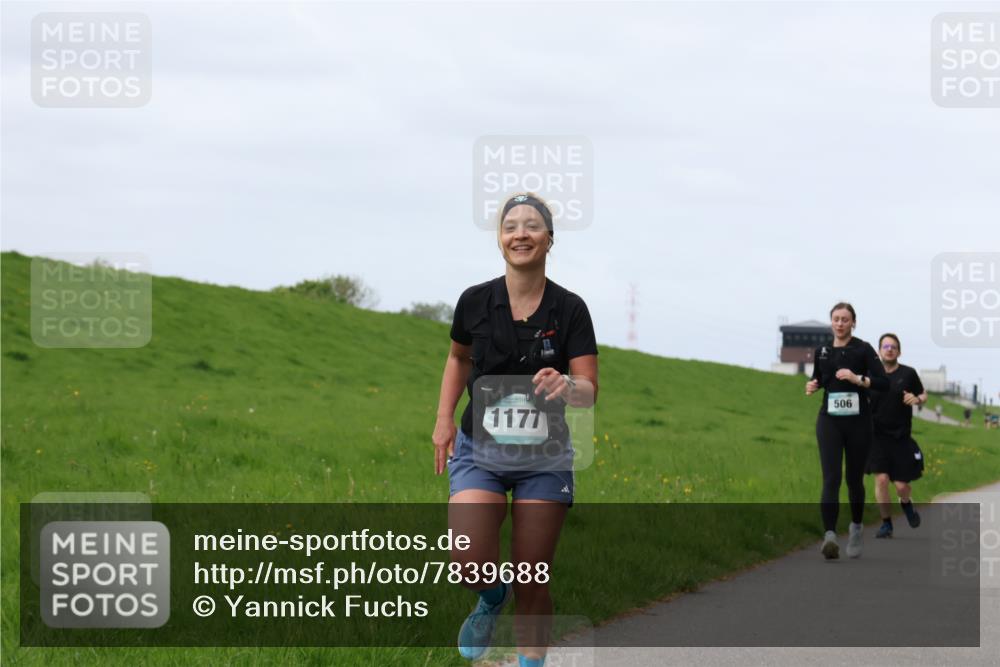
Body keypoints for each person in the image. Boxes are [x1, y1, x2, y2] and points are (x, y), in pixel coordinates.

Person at [432, 192, 599, 666]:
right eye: (510, 227)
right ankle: (489, 596)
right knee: (467, 561)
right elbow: (457, 358)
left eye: (531, 226)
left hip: (542, 460)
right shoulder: (474, 301)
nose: (520, 233)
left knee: (533, 577)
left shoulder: (570, 310)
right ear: (500, 240)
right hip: (478, 450)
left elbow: (590, 389)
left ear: (549, 238)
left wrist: (568, 384)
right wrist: (444, 419)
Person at [805, 303, 888, 560]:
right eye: (836, 319)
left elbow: (883, 382)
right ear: (831, 322)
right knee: (831, 478)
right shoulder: (822, 351)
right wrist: (812, 385)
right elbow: (820, 378)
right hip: (829, 420)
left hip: (859, 422)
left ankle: (855, 528)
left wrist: (857, 379)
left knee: (854, 480)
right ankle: (829, 536)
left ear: (853, 323)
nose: (840, 323)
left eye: (845, 319)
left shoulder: (863, 349)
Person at [865, 334, 928, 539]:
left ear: (899, 351)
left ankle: (906, 504)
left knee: (902, 486)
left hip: (900, 437)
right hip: (876, 436)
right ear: (879, 351)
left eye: (893, 346)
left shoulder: (908, 374)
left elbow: (923, 394)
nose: (889, 349)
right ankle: (886, 524)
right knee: (881, 479)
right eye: (885, 346)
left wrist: (917, 398)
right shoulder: (870, 375)